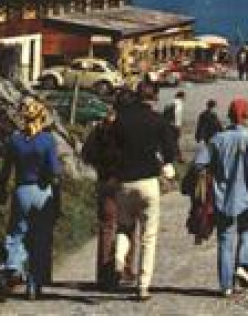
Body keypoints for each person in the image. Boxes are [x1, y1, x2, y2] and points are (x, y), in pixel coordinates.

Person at [107, 80, 179, 300]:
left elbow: (111, 150)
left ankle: (119, 258)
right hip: (148, 182)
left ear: (137, 95)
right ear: (155, 97)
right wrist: (165, 163)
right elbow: (170, 150)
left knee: (124, 227)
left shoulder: (121, 120)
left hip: (125, 182)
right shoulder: (158, 121)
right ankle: (143, 286)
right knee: (149, 236)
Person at [194, 98, 248, 298]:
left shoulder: (218, 139)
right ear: (246, 116)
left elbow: (199, 163)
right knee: (246, 232)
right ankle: (242, 265)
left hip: (222, 198)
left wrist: (213, 171)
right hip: (246, 197)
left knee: (225, 241)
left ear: (228, 115)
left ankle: (225, 286)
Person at [0, 98, 62, 301]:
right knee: (40, 238)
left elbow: (6, 169)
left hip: (21, 190)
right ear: (42, 117)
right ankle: (34, 284)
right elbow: (54, 171)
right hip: (42, 192)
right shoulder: (48, 140)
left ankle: (14, 267)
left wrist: (2, 190)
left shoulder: (14, 140)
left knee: (18, 231)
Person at [79, 96, 127, 290]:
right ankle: (125, 270)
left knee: (106, 228)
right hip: (123, 181)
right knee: (127, 226)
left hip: (104, 181)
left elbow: (86, 155)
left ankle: (104, 274)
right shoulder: (124, 132)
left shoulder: (99, 131)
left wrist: (100, 166)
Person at [161, 89, 187, 161]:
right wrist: (178, 126)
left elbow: (165, 113)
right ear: (182, 96)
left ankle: (176, 156)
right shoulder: (179, 103)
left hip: (167, 124)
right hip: (174, 125)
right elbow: (177, 115)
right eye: (184, 97)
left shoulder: (170, 102)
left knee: (172, 141)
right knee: (174, 141)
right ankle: (178, 157)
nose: (185, 99)